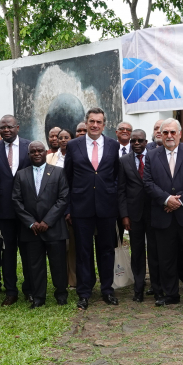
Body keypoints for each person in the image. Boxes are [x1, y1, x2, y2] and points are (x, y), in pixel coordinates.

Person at [143, 119, 183, 308]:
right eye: (165, 133)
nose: (169, 136)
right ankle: (170, 294)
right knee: (166, 257)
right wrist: (166, 199)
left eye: (173, 132)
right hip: (163, 215)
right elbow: (148, 182)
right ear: (160, 135)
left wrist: (179, 200)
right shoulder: (152, 156)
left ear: (180, 133)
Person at [64, 108, 121, 309]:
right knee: (83, 251)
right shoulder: (73, 145)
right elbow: (67, 178)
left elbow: (116, 175)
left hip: (106, 207)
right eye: (91, 121)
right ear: (86, 123)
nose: (95, 125)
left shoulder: (113, 146)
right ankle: (84, 292)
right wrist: (69, 208)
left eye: (99, 122)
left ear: (104, 124)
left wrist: (112, 195)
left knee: (106, 250)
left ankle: (107, 290)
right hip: (81, 207)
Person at [13, 141, 71, 307]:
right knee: (35, 265)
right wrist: (32, 223)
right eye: (33, 151)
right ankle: (39, 298)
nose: (36, 154)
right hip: (32, 230)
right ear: (28, 154)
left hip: (54, 227)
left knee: (58, 264)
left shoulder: (58, 172)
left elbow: (63, 199)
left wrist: (47, 221)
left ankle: (61, 294)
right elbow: (16, 201)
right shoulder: (21, 175)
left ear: (45, 152)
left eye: (39, 151)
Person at [0, 114, 31, 305]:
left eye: (9, 127)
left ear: (17, 127)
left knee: (29, 252)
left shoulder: (30, 147)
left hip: (27, 210)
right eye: (2, 127)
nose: (6, 130)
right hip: (3, 211)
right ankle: (11, 291)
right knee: (8, 253)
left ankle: (30, 289)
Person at [118, 130, 154, 302]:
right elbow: (121, 190)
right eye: (133, 141)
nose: (136, 143)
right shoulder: (124, 161)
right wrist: (124, 215)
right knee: (137, 252)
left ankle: (156, 286)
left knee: (155, 251)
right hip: (134, 215)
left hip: (155, 212)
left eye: (140, 140)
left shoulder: (155, 157)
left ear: (146, 141)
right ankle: (138, 288)